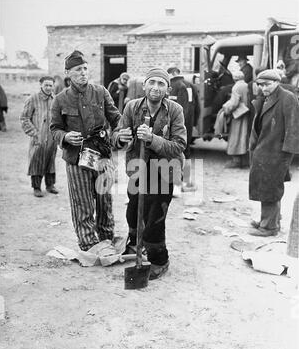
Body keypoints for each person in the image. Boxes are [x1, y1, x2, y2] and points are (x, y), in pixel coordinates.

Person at [112, 67, 187, 280]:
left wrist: (152, 139)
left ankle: (159, 260)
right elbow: (116, 135)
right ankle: (136, 245)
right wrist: (121, 137)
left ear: (168, 89)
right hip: (138, 168)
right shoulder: (131, 107)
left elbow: (179, 145)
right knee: (134, 211)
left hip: (165, 171)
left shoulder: (175, 110)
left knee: (154, 218)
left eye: (161, 84)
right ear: (144, 85)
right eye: (152, 82)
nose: (155, 87)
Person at [50, 50, 121, 251]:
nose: (83, 73)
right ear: (68, 73)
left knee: (104, 199)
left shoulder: (101, 92)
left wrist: (122, 132)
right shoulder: (60, 100)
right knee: (82, 203)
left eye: (85, 68)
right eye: (78, 69)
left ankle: (106, 238)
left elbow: (116, 118)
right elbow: (54, 128)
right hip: (76, 157)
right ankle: (88, 243)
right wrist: (65, 137)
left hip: (102, 154)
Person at [249, 69, 299, 237]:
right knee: (267, 187)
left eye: (267, 85)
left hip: (277, 153)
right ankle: (269, 220)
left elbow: (294, 129)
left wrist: (286, 157)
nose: (264, 88)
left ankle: (269, 228)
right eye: (260, 85)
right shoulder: (266, 98)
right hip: (265, 150)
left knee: (271, 188)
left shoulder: (287, 98)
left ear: (277, 82)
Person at [20, 76, 58, 197]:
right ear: (40, 85)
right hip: (38, 138)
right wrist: (34, 133)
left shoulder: (55, 99)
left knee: (51, 161)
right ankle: (36, 187)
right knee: (36, 161)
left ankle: (50, 185)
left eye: (51, 85)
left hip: (52, 138)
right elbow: (24, 118)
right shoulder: (33, 99)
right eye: (46, 85)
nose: (48, 88)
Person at [167, 66, 199, 191]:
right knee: (186, 150)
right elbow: (197, 107)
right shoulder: (190, 85)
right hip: (188, 124)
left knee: (173, 152)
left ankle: (176, 183)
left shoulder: (172, 86)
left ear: (173, 73)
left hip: (175, 124)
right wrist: (194, 121)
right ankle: (186, 181)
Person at [221, 71, 250, 168]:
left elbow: (234, 103)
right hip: (246, 113)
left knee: (235, 137)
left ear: (234, 78)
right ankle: (244, 161)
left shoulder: (236, 87)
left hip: (238, 115)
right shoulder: (246, 85)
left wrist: (226, 109)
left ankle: (236, 161)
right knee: (244, 136)